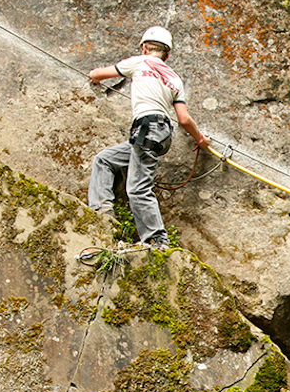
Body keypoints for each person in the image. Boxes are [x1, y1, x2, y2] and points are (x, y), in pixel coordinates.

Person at [87, 26, 210, 251]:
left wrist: (94, 80)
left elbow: (97, 74)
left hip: (146, 128)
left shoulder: (139, 62)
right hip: (162, 134)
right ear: (167, 54)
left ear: (144, 47)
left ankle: (157, 240)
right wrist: (200, 139)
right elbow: (183, 119)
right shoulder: (174, 79)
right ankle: (102, 213)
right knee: (104, 160)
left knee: (137, 188)